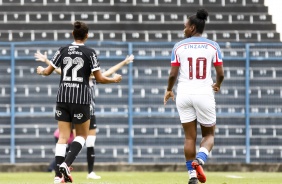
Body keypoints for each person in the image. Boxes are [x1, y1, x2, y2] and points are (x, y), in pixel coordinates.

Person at [36, 21, 122, 184]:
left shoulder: (62, 50)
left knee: (62, 137)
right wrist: (114, 80)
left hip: (62, 97)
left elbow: (48, 72)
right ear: (87, 35)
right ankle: (66, 165)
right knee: (82, 135)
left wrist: (41, 70)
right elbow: (100, 79)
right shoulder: (90, 52)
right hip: (80, 99)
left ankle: (57, 176)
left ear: (72, 34)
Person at [163, 9, 224, 184]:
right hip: (204, 93)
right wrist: (218, 85)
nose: (183, 29)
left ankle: (191, 176)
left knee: (189, 137)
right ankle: (200, 159)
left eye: (185, 26)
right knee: (209, 135)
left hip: (183, 94)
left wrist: (169, 89)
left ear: (192, 28)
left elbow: (173, 75)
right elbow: (221, 73)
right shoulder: (213, 46)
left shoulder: (179, 46)